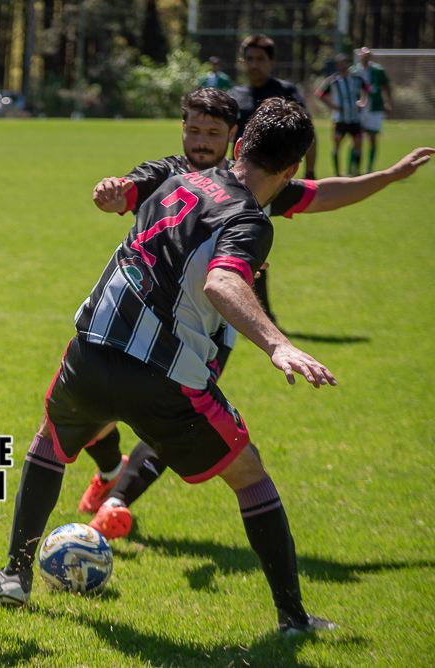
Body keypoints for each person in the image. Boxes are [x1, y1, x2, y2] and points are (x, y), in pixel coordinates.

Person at [0, 98, 430, 634]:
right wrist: (278, 344)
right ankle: (293, 619)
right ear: (292, 169)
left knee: (50, 441)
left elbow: (179, 253)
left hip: (90, 350)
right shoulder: (249, 220)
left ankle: (15, 574)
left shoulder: (179, 180)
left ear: (238, 143)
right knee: (250, 476)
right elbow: (221, 282)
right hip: (163, 378)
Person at [86, 87, 435, 540]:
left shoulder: (259, 182)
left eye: (213, 132)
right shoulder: (169, 173)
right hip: (141, 320)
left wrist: (388, 175)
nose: (202, 141)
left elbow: (323, 193)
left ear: (234, 138)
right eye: (194, 130)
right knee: (96, 415)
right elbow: (128, 188)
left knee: (176, 415)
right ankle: (110, 472)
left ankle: (116, 503)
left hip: (208, 332)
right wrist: (114, 193)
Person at [229, 33, 316, 322]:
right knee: (239, 246)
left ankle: (260, 314)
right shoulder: (235, 95)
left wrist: (309, 173)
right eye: (249, 59)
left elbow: (308, 136)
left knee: (252, 247)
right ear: (242, 61)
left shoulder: (285, 93)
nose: (253, 64)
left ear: (272, 62)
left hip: (268, 181)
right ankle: (246, 313)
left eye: (260, 59)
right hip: (235, 182)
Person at [317, 53, 370, 177]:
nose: (342, 65)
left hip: (354, 118)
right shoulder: (333, 80)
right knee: (337, 143)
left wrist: (362, 102)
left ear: (348, 63)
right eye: (339, 63)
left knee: (358, 142)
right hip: (340, 119)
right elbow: (320, 94)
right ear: (336, 65)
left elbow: (366, 89)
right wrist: (332, 106)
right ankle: (337, 173)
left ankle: (356, 172)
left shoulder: (356, 78)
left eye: (344, 62)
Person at [355, 47, 393, 173]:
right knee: (356, 138)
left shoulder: (378, 70)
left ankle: (369, 168)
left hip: (375, 109)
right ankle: (353, 168)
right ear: (359, 56)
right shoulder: (353, 71)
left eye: (367, 55)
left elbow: (387, 87)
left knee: (372, 137)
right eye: (363, 55)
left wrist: (388, 102)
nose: (365, 57)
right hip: (358, 110)